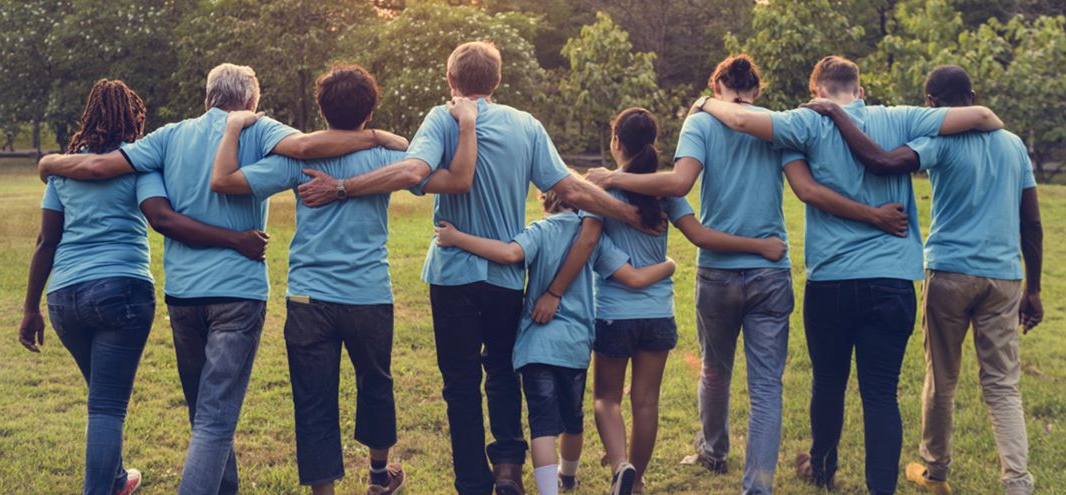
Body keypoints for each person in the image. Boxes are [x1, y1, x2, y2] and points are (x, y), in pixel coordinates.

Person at [293, 41, 658, 495]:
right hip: (505, 274)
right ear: (497, 82)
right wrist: (631, 215)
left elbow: (411, 173)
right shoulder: (526, 125)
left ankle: (471, 481)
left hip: (451, 275)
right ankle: (508, 468)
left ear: (451, 80)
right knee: (503, 371)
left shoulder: (442, 118)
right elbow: (573, 189)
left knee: (460, 384)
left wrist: (342, 187)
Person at [36, 63, 407, 495]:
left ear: (206, 97)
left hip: (183, 294)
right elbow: (308, 148)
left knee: (204, 414)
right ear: (251, 101)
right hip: (239, 293)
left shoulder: (168, 136)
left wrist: (50, 162)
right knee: (215, 420)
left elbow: (100, 169)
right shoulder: (262, 129)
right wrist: (378, 137)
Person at [586, 56, 907, 495]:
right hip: (771, 271)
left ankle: (714, 450)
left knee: (715, 371)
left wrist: (611, 180)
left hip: (717, 272)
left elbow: (679, 184)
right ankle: (757, 485)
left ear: (716, 86)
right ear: (756, 91)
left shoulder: (700, 123)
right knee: (765, 386)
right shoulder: (775, 125)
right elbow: (803, 186)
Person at [695, 55, 1005, 494]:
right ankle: (881, 488)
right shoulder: (900, 118)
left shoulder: (806, 122)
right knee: (881, 394)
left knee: (828, 383)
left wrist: (706, 103)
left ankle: (822, 471)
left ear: (817, 92)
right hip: (893, 280)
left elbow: (744, 123)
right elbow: (983, 116)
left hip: (832, 280)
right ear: (860, 91)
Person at [209, 64, 481, 495]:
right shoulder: (393, 157)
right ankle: (378, 476)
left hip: (307, 297)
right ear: (370, 111)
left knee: (313, 398)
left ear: (322, 110)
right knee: (376, 383)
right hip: (368, 293)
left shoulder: (300, 158)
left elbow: (225, 181)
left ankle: (324, 492)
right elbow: (453, 179)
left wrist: (231, 132)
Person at [18, 79, 269, 495]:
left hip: (64, 297)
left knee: (102, 397)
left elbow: (47, 240)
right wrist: (234, 239)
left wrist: (30, 309)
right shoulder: (139, 164)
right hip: (122, 292)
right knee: (107, 406)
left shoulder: (64, 170)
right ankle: (104, 487)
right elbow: (161, 218)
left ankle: (117, 479)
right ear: (132, 118)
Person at [801, 65, 1043, 495]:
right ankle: (1018, 482)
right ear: (973, 94)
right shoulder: (1014, 146)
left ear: (931, 104)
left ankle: (935, 469)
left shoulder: (939, 142)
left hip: (950, 271)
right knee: (1003, 385)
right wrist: (1035, 288)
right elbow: (1033, 223)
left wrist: (835, 113)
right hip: (1004, 278)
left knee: (942, 377)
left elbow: (882, 162)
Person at [565, 105, 783, 495]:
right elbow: (700, 236)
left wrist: (556, 289)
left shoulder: (604, 188)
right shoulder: (663, 192)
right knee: (646, 403)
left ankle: (621, 467)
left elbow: (588, 239)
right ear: (654, 144)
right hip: (658, 315)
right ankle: (636, 482)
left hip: (614, 313)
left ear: (616, 142)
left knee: (605, 399)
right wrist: (760, 245)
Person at [433, 187, 677, 495]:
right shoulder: (595, 238)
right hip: (574, 347)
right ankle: (569, 478)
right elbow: (634, 278)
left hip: (537, 344)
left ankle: (549, 490)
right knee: (572, 421)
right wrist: (669, 265)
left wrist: (457, 239)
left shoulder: (539, 231)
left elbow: (509, 253)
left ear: (546, 200)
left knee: (542, 425)